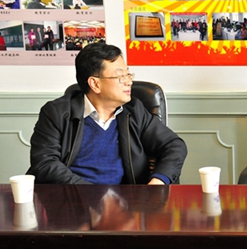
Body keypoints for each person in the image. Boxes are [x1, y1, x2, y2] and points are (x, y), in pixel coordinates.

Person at [27, 42, 187, 185]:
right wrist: (93, 196)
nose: (129, 82)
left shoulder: (133, 110)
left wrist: (158, 181)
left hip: (126, 203)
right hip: (73, 200)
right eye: (120, 76)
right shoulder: (56, 113)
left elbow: (174, 145)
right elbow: (44, 163)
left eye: (128, 74)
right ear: (95, 84)